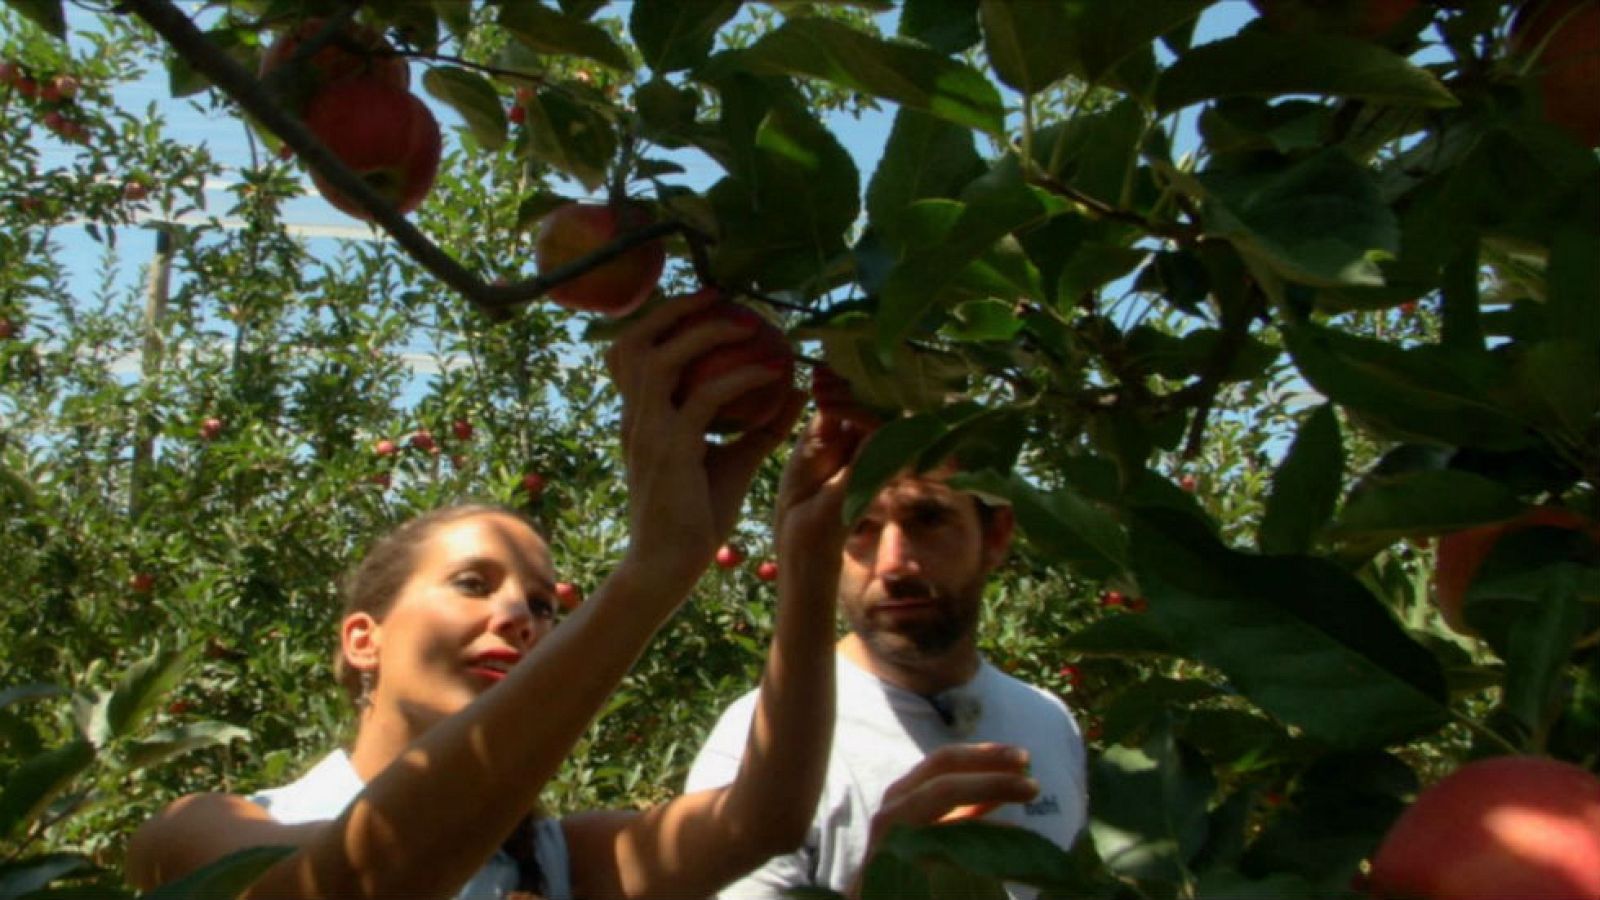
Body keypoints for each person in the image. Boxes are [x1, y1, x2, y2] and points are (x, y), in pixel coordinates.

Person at [125, 290, 869, 900]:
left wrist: (807, 563)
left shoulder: (558, 859)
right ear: (363, 639)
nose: (517, 616)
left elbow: (762, 821)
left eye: (544, 606)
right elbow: (360, 879)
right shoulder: (200, 835)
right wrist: (647, 580)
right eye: (472, 583)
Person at [685, 445, 1089, 899]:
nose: (893, 563)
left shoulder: (1050, 722)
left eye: (928, 520)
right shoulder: (758, 747)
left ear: (995, 537)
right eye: (860, 527)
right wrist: (882, 884)